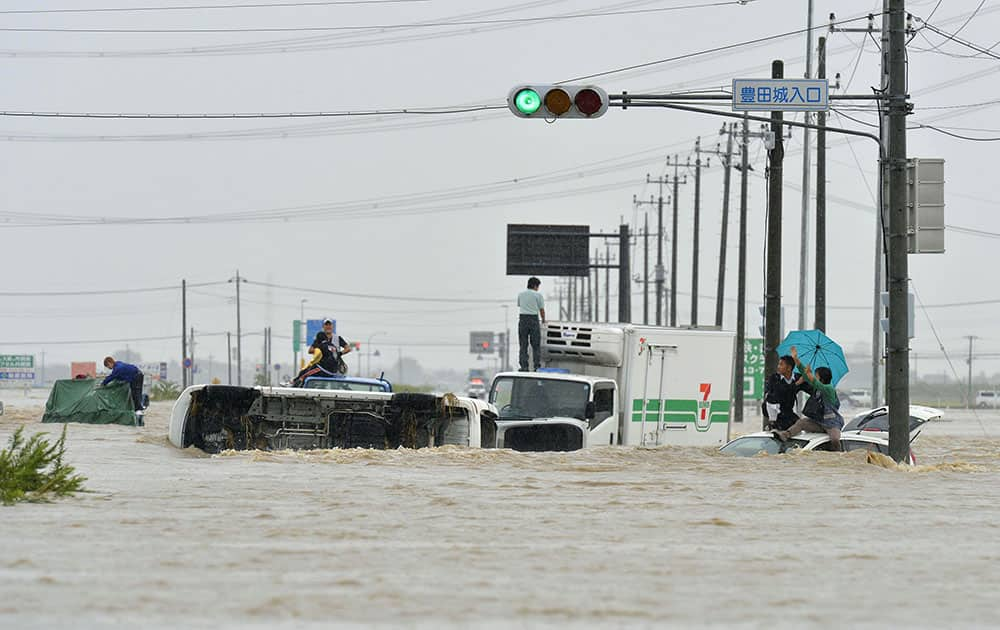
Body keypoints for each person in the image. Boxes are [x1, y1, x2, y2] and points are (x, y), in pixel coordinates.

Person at [773, 346, 844, 450]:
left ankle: (838, 454)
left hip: (832, 424)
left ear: (822, 378)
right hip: (819, 422)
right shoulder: (818, 389)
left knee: (834, 439)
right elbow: (806, 376)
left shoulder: (829, 389)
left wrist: (809, 373)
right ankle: (785, 435)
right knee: (801, 423)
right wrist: (796, 359)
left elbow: (814, 382)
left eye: (816, 375)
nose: (815, 377)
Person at [291, 319, 352, 386]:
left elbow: (348, 348)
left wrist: (339, 353)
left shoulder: (337, 338)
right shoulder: (320, 339)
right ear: (323, 326)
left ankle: (295, 383)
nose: (328, 326)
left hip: (334, 368)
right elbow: (310, 350)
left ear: (332, 326)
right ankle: (297, 384)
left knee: (306, 374)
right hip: (322, 366)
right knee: (307, 372)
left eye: (330, 325)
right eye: (326, 325)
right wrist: (321, 351)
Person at [762, 354, 812, 431]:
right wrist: (797, 383)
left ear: (789, 368)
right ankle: (772, 426)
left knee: (801, 426)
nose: (778, 367)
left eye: (781, 364)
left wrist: (811, 379)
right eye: (779, 364)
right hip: (775, 412)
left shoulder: (797, 377)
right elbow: (779, 392)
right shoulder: (774, 378)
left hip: (788, 412)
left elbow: (812, 390)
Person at [517, 277, 546, 372]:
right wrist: (543, 320)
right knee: (535, 345)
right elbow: (541, 309)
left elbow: (520, 305)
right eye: (538, 286)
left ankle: (524, 366)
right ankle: (536, 366)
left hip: (523, 319)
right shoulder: (538, 295)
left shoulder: (521, 295)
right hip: (533, 319)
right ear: (535, 286)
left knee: (523, 344)